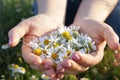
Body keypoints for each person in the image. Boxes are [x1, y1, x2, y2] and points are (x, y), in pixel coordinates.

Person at [8, 0, 120, 80]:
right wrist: (50, 15)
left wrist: (89, 19)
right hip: (53, 4)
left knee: (117, 20)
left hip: (100, 5)